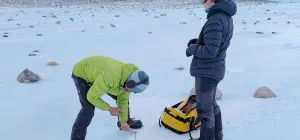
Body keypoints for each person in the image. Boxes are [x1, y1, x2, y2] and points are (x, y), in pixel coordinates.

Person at [185, 0, 237, 140]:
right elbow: (217, 44)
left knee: (204, 110)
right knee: (212, 105)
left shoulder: (215, 20)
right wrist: (199, 42)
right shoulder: (226, 16)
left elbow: (210, 51)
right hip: (215, 69)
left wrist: (192, 49)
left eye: (204, 0)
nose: (203, 3)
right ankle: (217, 135)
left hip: (206, 72)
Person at [70, 56, 149, 140]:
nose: (133, 92)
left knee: (122, 96)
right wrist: (109, 108)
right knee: (88, 109)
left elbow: (123, 100)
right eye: (134, 90)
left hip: (102, 76)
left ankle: (124, 122)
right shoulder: (109, 78)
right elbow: (91, 97)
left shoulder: (129, 78)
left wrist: (123, 120)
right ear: (130, 83)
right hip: (82, 73)